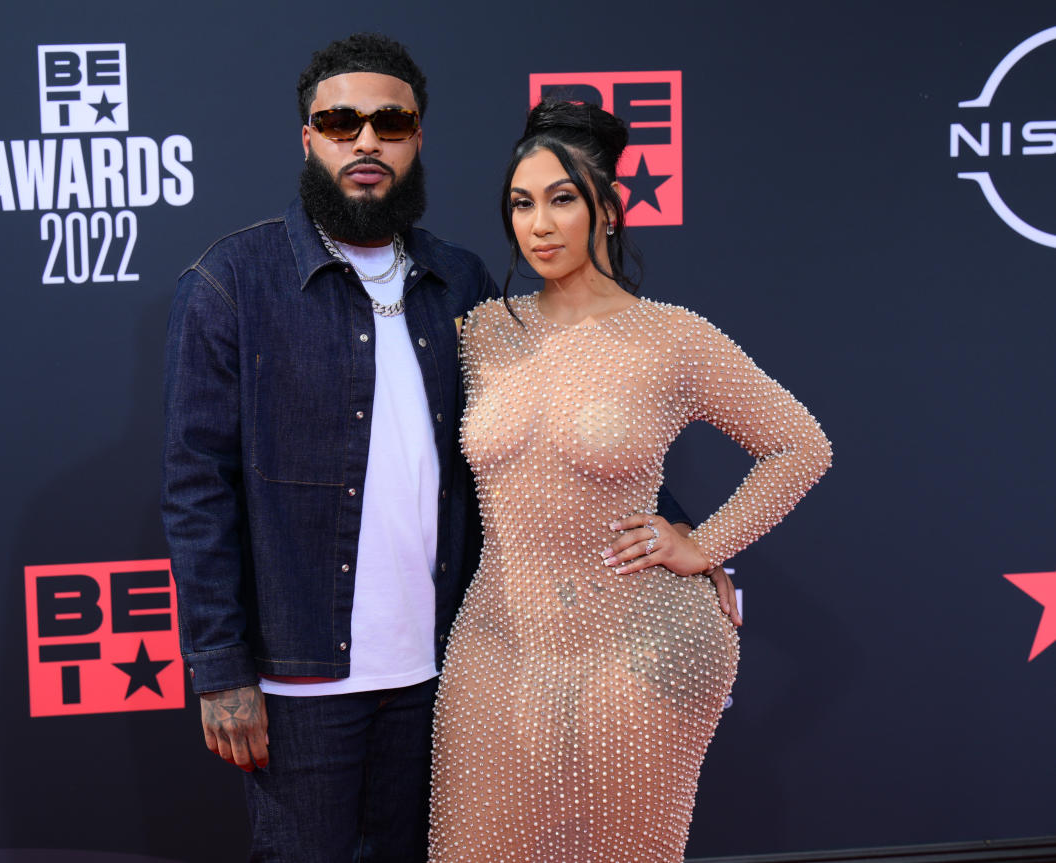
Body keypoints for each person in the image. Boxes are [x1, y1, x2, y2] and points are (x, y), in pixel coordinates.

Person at [163, 34, 737, 862]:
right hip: (301, 679)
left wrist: (686, 540)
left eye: (390, 122)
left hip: (443, 670)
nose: (366, 141)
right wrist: (221, 667)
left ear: (418, 140)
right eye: (340, 121)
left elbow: (551, 438)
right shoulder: (232, 283)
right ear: (308, 139)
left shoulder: (460, 282)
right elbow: (196, 487)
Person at [428, 100, 832, 862]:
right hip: (495, 638)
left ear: (607, 208)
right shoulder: (482, 331)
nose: (539, 225)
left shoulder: (671, 335)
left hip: (636, 642)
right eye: (521, 204)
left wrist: (702, 542)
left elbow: (800, 446)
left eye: (562, 199)